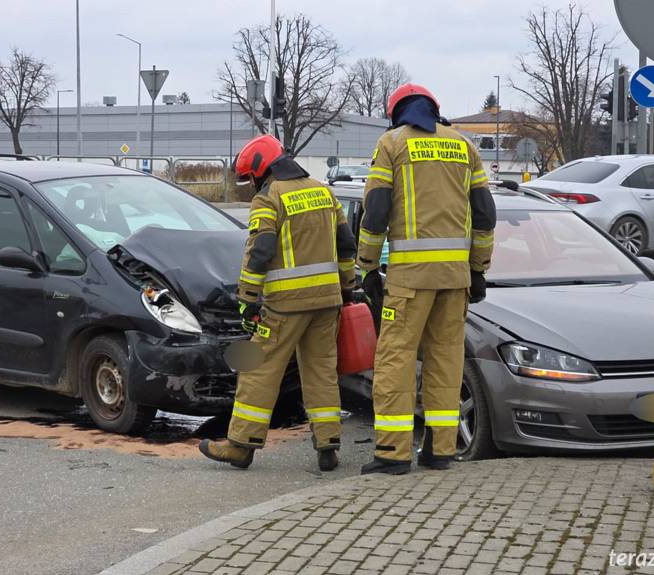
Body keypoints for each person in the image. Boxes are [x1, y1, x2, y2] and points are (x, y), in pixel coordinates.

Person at [357, 84, 496, 475]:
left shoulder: (392, 144)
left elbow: (376, 210)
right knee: (447, 361)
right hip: (455, 279)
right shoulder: (464, 146)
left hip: (410, 280)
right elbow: (484, 212)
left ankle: (393, 452)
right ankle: (439, 451)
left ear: (397, 111)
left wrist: (366, 265)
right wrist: (478, 268)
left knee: (395, 361)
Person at [200, 135, 357, 471]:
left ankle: (240, 446)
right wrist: (347, 287)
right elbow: (346, 245)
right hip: (327, 302)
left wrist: (248, 300)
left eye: (251, 178)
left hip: (285, 306)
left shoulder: (269, 198)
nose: (252, 185)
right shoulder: (324, 191)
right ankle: (328, 445)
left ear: (261, 170)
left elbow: (260, 252)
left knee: (256, 369)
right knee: (321, 372)